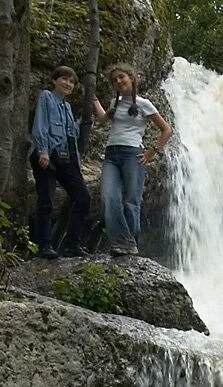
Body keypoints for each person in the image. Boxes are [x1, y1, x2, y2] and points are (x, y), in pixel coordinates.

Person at [94, 64, 173, 255]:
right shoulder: (115, 103)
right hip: (111, 154)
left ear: (131, 78)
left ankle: (129, 245)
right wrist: (94, 99)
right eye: (114, 80)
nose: (118, 82)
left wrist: (151, 152)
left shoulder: (144, 103)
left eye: (121, 77)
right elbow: (104, 119)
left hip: (132, 154)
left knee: (131, 202)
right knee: (108, 197)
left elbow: (166, 129)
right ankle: (124, 242)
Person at [30, 66, 90, 259]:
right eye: (64, 79)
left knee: (83, 197)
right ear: (54, 80)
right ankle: (44, 245)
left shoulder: (67, 107)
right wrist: (43, 151)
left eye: (72, 82)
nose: (68, 84)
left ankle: (72, 243)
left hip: (66, 157)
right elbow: (40, 125)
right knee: (46, 199)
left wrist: (84, 123)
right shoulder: (46, 97)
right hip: (48, 154)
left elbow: (72, 134)